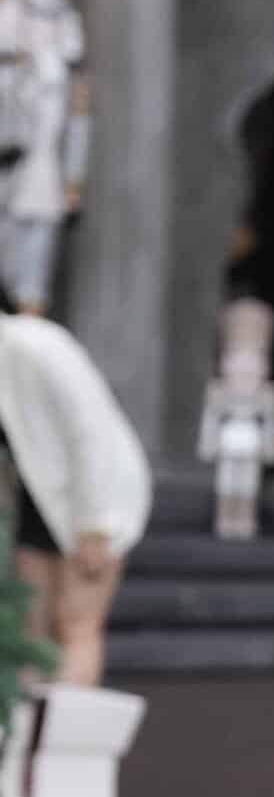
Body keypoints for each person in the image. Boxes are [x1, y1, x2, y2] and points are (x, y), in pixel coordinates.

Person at [0, 279, 151, 684]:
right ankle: (29, 723)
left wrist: (96, 523)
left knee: (76, 625)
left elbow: (90, 430)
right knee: (33, 630)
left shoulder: (36, 343)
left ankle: (69, 725)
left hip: (95, 498)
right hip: (38, 501)